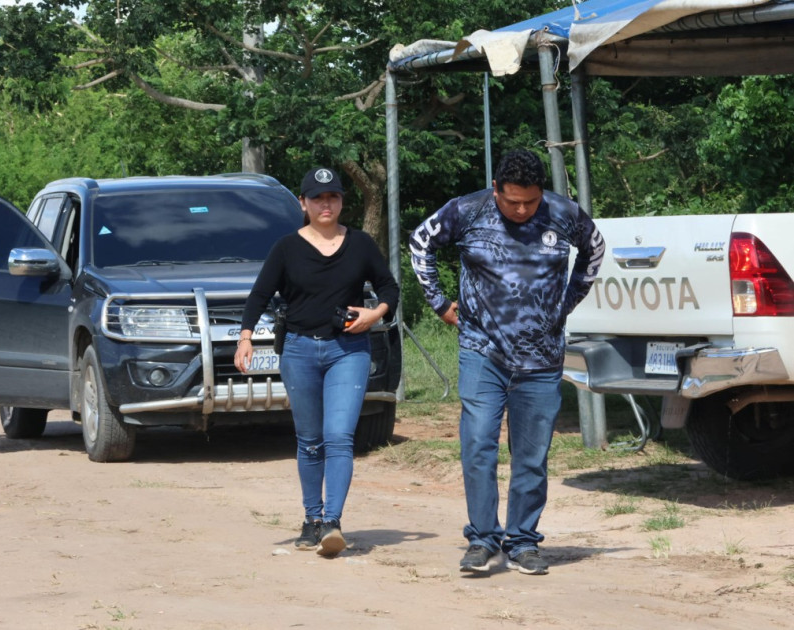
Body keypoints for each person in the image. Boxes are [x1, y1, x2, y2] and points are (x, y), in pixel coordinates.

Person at [409, 149, 605, 576]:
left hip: (542, 358)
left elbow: (594, 250)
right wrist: (439, 303)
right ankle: (482, 539)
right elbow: (420, 242)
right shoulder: (467, 210)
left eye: (530, 202)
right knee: (478, 446)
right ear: (495, 188)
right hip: (482, 352)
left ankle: (523, 541)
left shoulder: (564, 214)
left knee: (531, 457)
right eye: (512, 201)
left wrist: (566, 303)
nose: (521, 210)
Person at [235, 167, 399, 557]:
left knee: (339, 437)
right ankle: (311, 519)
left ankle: (332, 522)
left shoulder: (360, 244)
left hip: (348, 351)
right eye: (317, 198)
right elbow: (259, 295)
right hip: (299, 351)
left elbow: (389, 287)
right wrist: (245, 339)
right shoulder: (286, 248)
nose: (326, 204)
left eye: (333, 197)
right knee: (310, 440)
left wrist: (374, 314)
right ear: (303, 203)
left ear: (341, 201)